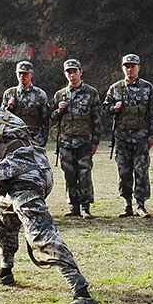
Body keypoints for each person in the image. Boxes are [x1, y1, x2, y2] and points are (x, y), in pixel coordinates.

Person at [0, 78, 100, 304]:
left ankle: (82, 295)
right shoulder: (10, 116)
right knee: (3, 212)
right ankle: (5, 271)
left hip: (23, 180)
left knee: (40, 235)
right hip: (42, 173)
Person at [103, 54, 153, 218]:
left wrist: (152, 135)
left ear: (138, 68)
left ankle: (140, 205)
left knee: (141, 171)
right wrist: (114, 108)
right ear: (122, 68)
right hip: (122, 138)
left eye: (133, 66)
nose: (130, 69)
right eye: (126, 66)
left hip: (141, 137)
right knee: (124, 172)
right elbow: (105, 108)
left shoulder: (148, 88)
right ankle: (127, 204)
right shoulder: (115, 88)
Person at [50, 59, 102, 219]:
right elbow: (52, 118)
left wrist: (95, 142)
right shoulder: (60, 95)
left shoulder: (91, 93)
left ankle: (86, 207)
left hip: (84, 141)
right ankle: (74, 207)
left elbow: (97, 118)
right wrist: (59, 111)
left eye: (74, 71)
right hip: (66, 142)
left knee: (84, 174)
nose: (72, 75)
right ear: (65, 74)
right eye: (68, 72)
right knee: (70, 174)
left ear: (81, 72)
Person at [1, 61, 50, 147]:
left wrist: (42, 142)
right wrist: (8, 108)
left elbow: (45, 121)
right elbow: (1, 118)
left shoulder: (40, 95)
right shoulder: (9, 93)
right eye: (20, 73)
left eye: (25, 73)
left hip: (34, 140)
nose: (22, 76)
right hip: (13, 140)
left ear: (32, 74)